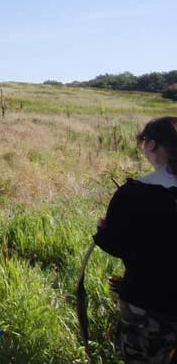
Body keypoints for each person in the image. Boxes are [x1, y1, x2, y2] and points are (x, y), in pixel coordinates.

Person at [94, 116, 177, 364]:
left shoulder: (133, 193)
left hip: (147, 304)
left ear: (151, 145)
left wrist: (102, 232)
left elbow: (114, 244)